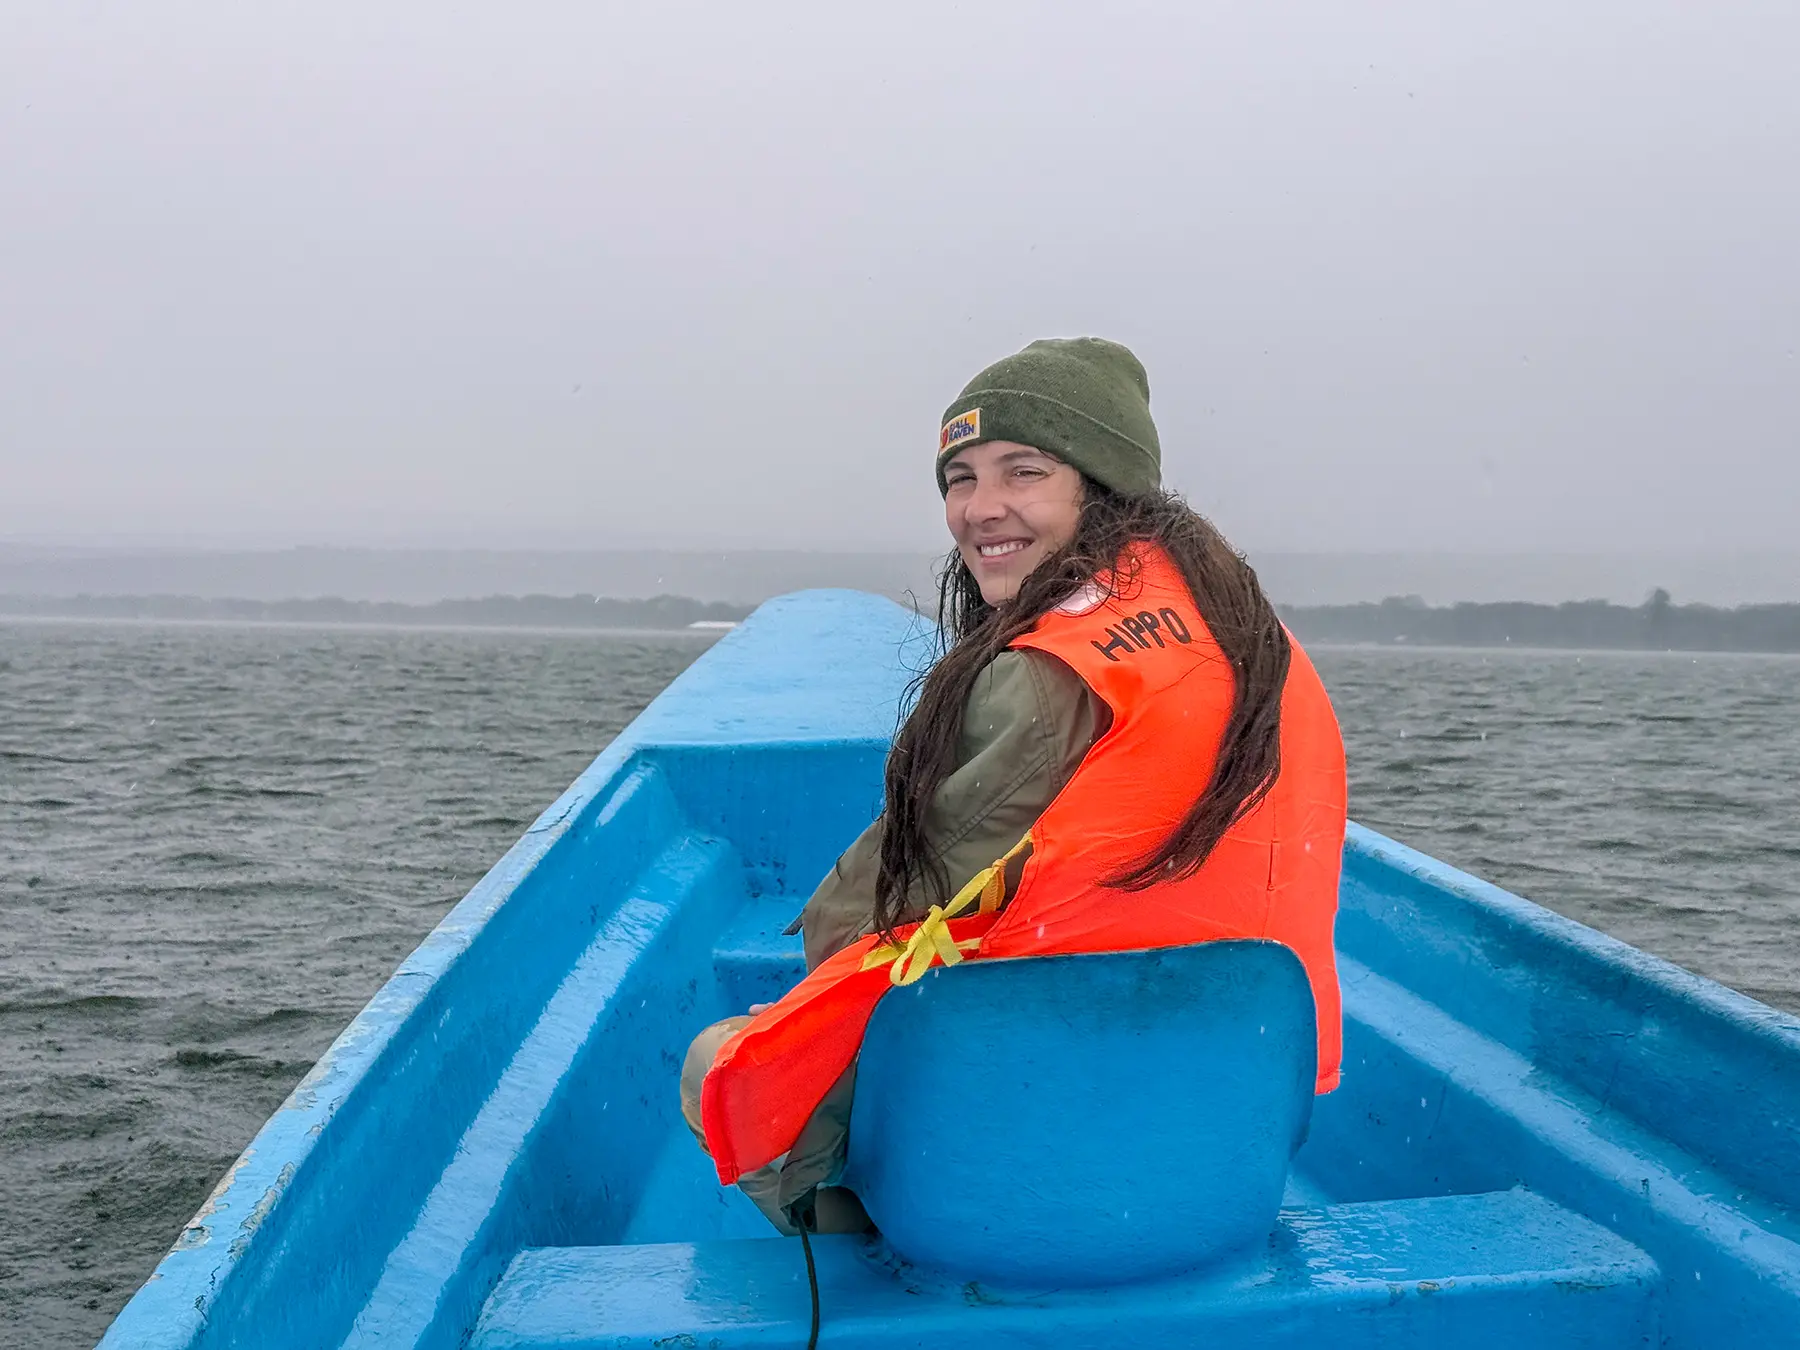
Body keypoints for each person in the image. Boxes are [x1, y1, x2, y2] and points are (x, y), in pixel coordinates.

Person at [679, 337, 1346, 1236]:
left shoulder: (1045, 676)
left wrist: (798, 1013)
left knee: (717, 1065)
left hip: (1034, 1161)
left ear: (1101, 488)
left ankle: (888, 1269)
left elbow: (895, 913)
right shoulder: (1248, 634)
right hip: (1227, 1136)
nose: (978, 509)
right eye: (959, 477)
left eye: (1022, 471)